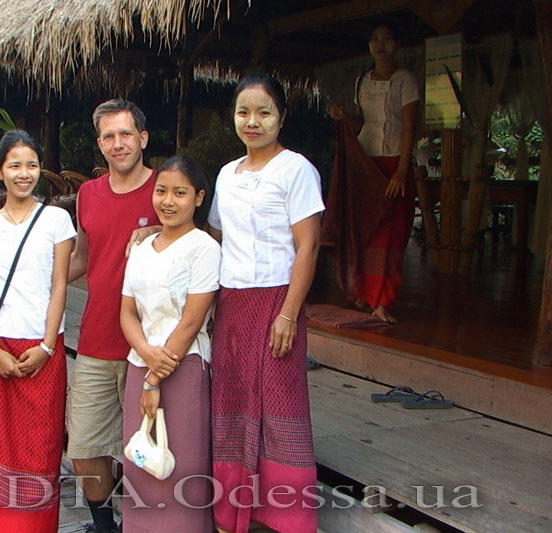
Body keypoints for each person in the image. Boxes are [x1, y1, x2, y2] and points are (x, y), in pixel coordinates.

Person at [208, 75, 324, 533]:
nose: (252, 122)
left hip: (277, 298)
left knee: (280, 400)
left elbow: (308, 246)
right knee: (232, 401)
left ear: (282, 116)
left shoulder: (296, 170)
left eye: (264, 112)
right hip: (232, 302)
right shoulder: (226, 174)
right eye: (244, 112)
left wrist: (289, 314)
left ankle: (286, 517)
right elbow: (217, 238)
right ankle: (235, 512)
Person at [0, 130, 76, 532]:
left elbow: (60, 285)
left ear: (40, 170)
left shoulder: (57, 220)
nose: (24, 174)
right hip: (1, 348)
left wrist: (46, 346)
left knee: (41, 449)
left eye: (31, 165)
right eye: (15, 166)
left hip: (43, 349)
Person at [67, 99, 160, 533]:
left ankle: (142, 525)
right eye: (109, 136)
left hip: (152, 345)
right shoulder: (88, 193)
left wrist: (160, 229)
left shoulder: (165, 189)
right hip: (96, 339)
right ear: (100, 144)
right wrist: (33, 284)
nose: (118, 143)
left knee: (148, 447)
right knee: (85, 446)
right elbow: (82, 257)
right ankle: (104, 526)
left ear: (143, 138)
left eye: (126, 134)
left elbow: (198, 242)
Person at [120, 156, 221, 532]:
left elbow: (192, 320)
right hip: (140, 364)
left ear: (199, 198)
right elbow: (127, 312)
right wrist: (146, 357)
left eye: (180, 193)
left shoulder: (204, 248)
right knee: (142, 461)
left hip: (185, 368)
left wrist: (154, 379)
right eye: (161, 191)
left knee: (181, 468)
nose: (168, 201)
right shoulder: (141, 247)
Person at [329, 23, 420, 323]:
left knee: (390, 233)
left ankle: (382, 300)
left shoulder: (405, 80)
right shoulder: (362, 80)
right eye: (375, 39)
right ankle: (364, 292)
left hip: (394, 162)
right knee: (365, 230)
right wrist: (344, 116)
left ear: (397, 44)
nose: (381, 44)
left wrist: (402, 171)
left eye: (387, 38)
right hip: (366, 164)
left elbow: (409, 127)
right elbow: (362, 123)